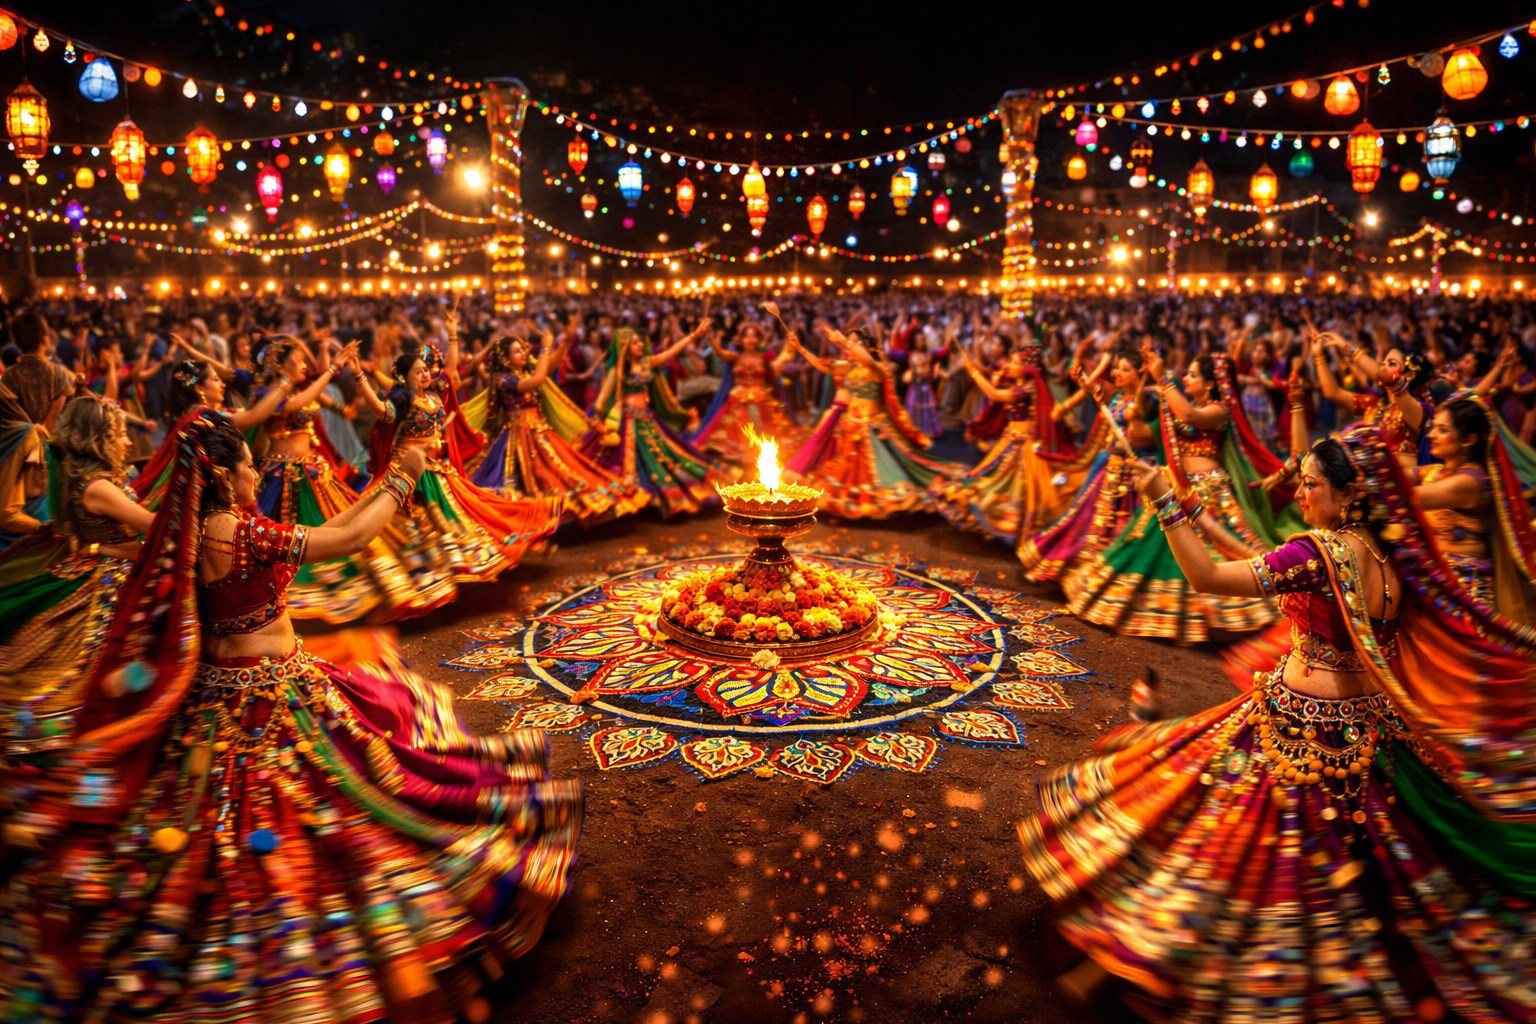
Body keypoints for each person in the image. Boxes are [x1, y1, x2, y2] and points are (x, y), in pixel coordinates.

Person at [0, 417, 582, 1017]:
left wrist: (383, 482)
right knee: (358, 804)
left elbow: (328, 529)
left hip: (213, 706)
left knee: (210, 832)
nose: (257, 472)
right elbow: (343, 543)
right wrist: (402, 483)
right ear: (224, 476)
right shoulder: (237, 533)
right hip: (275, 699)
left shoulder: (184, 531)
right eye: (249, 464)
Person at [1021, 423, 1536, 1024]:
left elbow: (1209, 580)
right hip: (1366, 731)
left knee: (1216, 843)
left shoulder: (1322, 552)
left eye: (1310, 483)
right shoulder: (1393, 557)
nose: (1301, 494)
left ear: (1348, 492)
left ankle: (1149, 962)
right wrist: (1204, 522)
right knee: (1354, 872)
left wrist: (1163, 498)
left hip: (1294, 732)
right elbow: (1260, 566)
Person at [1065, 348, 1301, 641]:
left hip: (1207, 493)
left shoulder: (1217, 410)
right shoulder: (1183, 404)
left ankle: (1213, 617)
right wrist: (1108, 396)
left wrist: (1163, 377)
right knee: (1148, 548)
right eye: (1185, 373)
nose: (1185, 378)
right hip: (1176, 486)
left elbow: (1188, 415)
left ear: (1210, 384)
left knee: (1210, 554)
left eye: (1192, 374)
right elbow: (1146, 426)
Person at [248, 338, 454, 623]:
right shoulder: (267, 395)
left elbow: (322, 400)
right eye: (299, 359)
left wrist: (344, 403)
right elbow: (297, 403)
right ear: (279, 365)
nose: (305, 365)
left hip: (314, 471)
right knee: (309, 533)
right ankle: (300, 597)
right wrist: (332, 369)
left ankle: (368, 592)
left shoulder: (299, 388)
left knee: (351, 526)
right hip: (284, 477)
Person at [0, 394, 156, 751]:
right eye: (120, 434)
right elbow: (154, 525)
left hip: (110, 569)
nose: (129, 441)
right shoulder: (98, 487)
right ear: (100, 438)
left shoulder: (97, 479)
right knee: (93, 663)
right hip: (110, 582)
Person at [354, 338, 563, 582]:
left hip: (435, 470)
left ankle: (484, 559)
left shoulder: (433, 399)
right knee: (415, 527)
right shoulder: (404, 401)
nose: (425, 374)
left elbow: (449, 377)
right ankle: (422, 577)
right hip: (407, 473)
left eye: (425, 369)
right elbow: (382, 411)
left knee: (473, 514)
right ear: (405, 377)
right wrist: (360, 377)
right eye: (418, 371)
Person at [465, 329, 649, 526]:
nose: (523, 353)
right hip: (519, 437)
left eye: (523, 349)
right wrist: (545, 346)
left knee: (563, 472)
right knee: (534, 477)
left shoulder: (525, 371)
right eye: (517, 351)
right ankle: (531, 519)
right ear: (506, 359)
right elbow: (538, 379)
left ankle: (564, 513)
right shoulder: (504, 380)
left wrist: (562, 345)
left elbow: (549, 367)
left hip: (540, 431)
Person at [784, 326, 961, 518]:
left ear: (868, 349)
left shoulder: (877, 368)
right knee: (850, 473)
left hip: (874, 429)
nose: (851, 347)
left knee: (882, 471)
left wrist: (844, 341)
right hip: (852, 427)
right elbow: (822, 364)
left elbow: (866, 359)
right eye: (849, 343)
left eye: (857, 344)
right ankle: (854, 498)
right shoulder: (849, 367)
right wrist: (800, 348)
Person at [1021, 348, 1160, 582]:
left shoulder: (1147, 400)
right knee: (1090, 520)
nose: (1117, 373)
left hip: (1136, 471)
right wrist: (1082, 375)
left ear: (1139, 374)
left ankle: (1117, 576)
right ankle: (1085, 572)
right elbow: (1090, 388)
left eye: (1124, 370)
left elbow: (1152, 428)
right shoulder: (1116, 397)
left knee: (1127, 526)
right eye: (1116, 368)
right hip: (1111, 466)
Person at [933, 345, 1086, 545]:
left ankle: (1019, 530)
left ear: (1029, 368)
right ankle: (1003, 524)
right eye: (1011, 360)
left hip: (1026, 446)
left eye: (1015, 362)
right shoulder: (1013, 382)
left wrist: (974, 372)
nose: (1010, 365)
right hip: (1010, 441)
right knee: (993, 480)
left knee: (1022, 490)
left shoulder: (1029, 388)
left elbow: (995, 395)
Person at [1413, 395, 1536, 621]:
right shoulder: (1435, 473)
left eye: (1442, 430)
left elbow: (1409, 496)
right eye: (1433, 428)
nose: (1431, 435)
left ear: (1468, 439)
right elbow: (1400, 473)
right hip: (1433, 579)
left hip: (1464, 588)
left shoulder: (1471, 481)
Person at [586, 324, 723, 518]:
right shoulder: (616, 371)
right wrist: (599, 421)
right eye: (634, 343)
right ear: (623, 347)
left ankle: (659, 500)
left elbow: (671, 353)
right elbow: (601, 401)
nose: (640, 344)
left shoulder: (647, 362)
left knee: (663, 458)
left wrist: (693, 335)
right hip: (627, 422)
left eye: (639, 341)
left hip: (647, 419)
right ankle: (637, 501)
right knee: (632, 463)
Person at [687, 321, 803, 466]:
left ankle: (760, 459)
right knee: (740, 433)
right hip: (739, 401)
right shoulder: (736, 356)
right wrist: (711, 337)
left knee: (765, 434)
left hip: (761, 400)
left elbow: (775, 370)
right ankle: (749, 460)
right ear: (741, 339)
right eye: (747, 336)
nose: (750, 340)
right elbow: (719, 353)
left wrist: (788, 350)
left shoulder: (764, 357)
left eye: (754, 336)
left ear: (759, 339)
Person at [4, 310, 74, 430]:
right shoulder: (60, 373)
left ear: (15, 342)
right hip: (53, 445)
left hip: (21, 446)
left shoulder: (9, 376)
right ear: (45, 340)